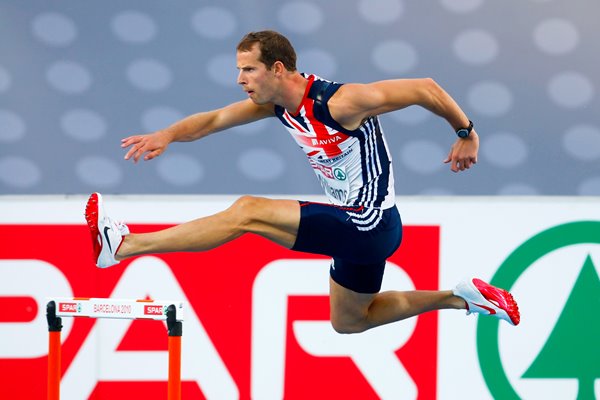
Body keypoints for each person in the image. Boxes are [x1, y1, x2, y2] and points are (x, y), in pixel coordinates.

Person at [85, 30, 520, 333]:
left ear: (277, 68)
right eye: (239, 71)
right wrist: (167, 135)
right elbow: (215, 119)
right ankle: (462, 298)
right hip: (361, 231)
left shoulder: (342, 102)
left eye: (248, 70)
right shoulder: (277, 105)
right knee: (351, 321)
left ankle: (124, 247)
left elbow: (425, 88)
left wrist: (466, 133)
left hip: (370, 222)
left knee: (248, 212)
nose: (240, 80)